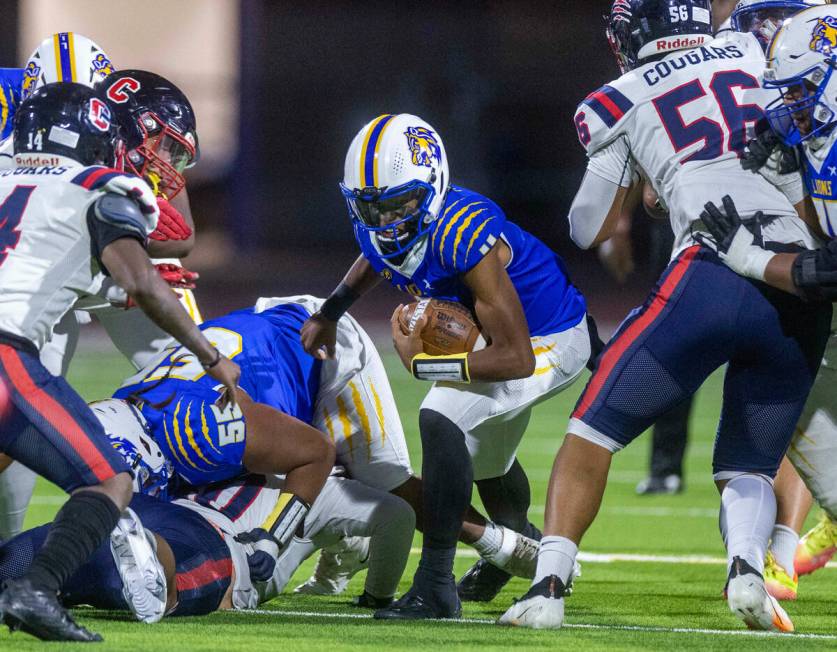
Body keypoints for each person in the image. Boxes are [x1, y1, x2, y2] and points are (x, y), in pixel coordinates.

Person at [500, 0, 831, 633]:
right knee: (749, 462)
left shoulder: (618, 96)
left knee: (590, 431)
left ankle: (548, 589)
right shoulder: (755, 53)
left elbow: (585, 225)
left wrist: (635, 168)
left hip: (709, 271)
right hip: (801, 280)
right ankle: (747, 573)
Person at [301, 114, 590, 619]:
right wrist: (330, 311)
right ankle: (515, 546)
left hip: (551, 336)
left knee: (440, 417)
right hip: (514, 341)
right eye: (371, 206)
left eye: (397, 205)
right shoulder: (387, 221)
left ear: (431, 186)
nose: (385, 220)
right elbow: (373, 255)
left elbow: (516, 358)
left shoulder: (462, 231)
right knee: (482, 461)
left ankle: (435, 583)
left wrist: (427, 368)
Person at [0, 82, 240, 641]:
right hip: (7, 359)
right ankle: (35, 588)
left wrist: (108, 291)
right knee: (109, 479)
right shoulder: (98, 187)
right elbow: (144, 283)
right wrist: (208, 356)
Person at [115, 295, 542, 602]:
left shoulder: (199, 429)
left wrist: (272, 538)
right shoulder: (131, 402)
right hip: (266, 335)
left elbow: (312, 453)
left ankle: (505, 545)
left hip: (324, 354)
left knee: (382, 481)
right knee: (271, 480)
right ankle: (348, 549)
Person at [0, 398, 415, 618]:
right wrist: (377, 597)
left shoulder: (220, 450)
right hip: (212, 542)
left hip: (146, 504)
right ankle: (144, 547)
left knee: (20, 566)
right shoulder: (317, 490)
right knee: (162, 587)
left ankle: (113, 535)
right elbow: (397, 516)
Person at [699, 2, 837, 599]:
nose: (795, 103)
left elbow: (828, 272)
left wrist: (746, 256)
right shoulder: (811, 117)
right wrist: (770, 139)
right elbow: (781, 125)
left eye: (805, 88)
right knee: (797, 402)